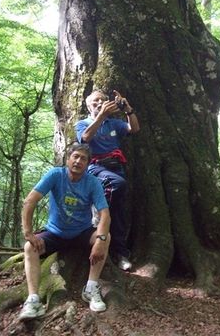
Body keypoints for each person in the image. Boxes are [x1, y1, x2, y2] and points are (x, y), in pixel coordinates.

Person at [19, 143, 111, 321]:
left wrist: (99, 240)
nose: (78, 161)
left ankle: (91, 288)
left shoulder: (92, 182)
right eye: (75, 156)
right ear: (67, 159)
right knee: (30, 247)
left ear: (88, 163)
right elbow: (30, 201)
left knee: (105, 237)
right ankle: (33, 300)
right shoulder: (56, 175)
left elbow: (105, 214)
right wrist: (28, 232)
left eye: (83, 158)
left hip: (81, 232)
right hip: (55, 232)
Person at [75, 89, 140, 271]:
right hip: (95, 168)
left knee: (117, 213)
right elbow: (85, 138)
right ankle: (97, 216)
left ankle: (119, 253)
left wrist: (128, 110)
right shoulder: (83, 123)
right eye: (95, 102)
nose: (99, 104)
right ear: (88, 106)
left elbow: (134, 129)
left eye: (102, 101)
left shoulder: (115, 123)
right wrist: (100, 116)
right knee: (116, 185)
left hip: (115, 167)